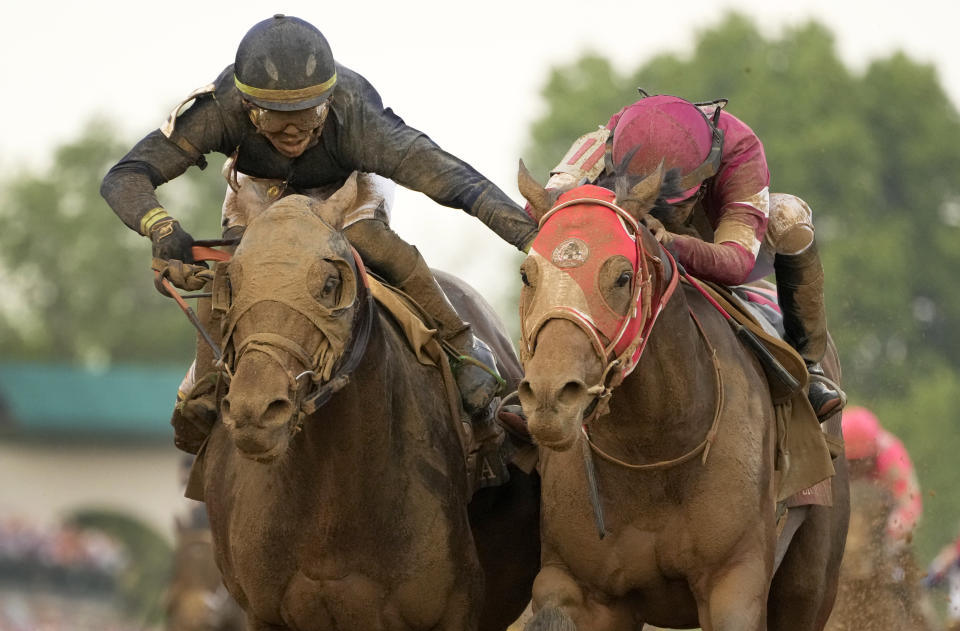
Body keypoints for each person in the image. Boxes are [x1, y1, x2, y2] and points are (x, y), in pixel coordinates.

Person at [100, 15, 537, 458]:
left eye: (308, 114)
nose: (292, 130)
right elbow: (126, 176)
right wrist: (162, 228)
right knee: (234, 267)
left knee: (369, 238)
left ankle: (461, 348)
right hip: (260, 187)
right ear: (247, 109)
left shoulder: (362, 121)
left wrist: (534, 240)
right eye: (274, 117)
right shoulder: (217, 110)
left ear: (329, 102)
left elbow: (458, 183)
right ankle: (207, 382)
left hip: (347, 184)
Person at [544, 92, 844, 421]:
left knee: (789, 217)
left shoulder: (741, 149)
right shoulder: (608, 137)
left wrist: (674, 243)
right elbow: (542, 207)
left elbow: (736, 261)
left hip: (714, 240)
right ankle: (542, 372)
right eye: (650, 199)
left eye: (672, 202)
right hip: (622, 247)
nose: (659, 211)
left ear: (703, 181)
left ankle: (810, 363)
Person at [842, 406, 923, 551]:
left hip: (885, 522)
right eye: (851, 462)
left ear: (873, 452)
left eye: (861, 460)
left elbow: (911, 503)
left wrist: (894, 529)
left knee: (898, 546)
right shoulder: (832, 456)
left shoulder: (892, 457)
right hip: (848, 519)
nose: (856, 468)